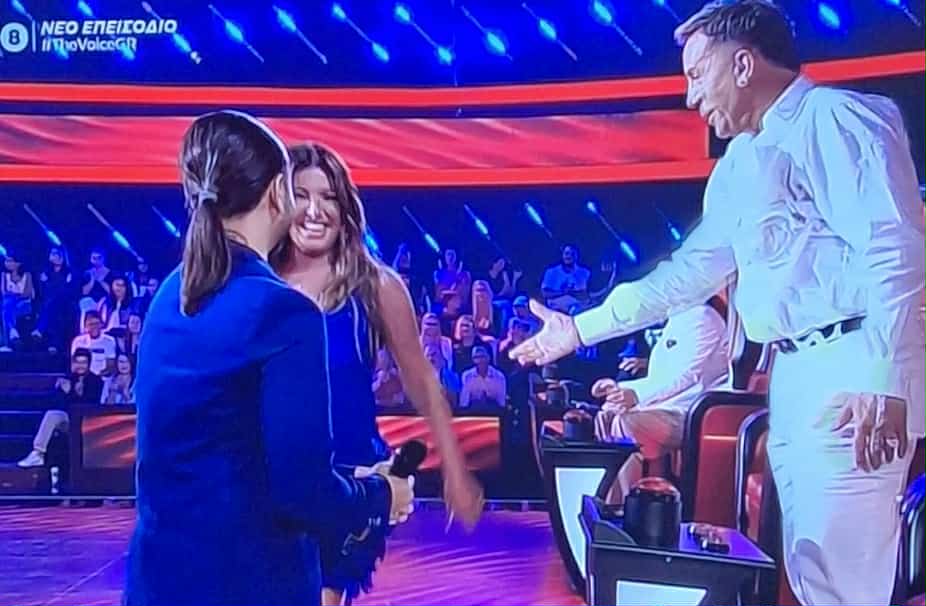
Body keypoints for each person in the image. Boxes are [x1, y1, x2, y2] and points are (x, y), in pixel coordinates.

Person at [510, 2, 925, 604]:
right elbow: (684, 275)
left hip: (853, 368)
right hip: (796, 376)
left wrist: (882, 379)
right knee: (812, 573)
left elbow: (894, 248)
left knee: (843, 583)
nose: (690, 97)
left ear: (744, 64)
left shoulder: (834, 118)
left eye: (698, 74)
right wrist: (580, 330)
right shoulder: (740, 166)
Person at [124, 111, 414, 606]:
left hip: (157, 583)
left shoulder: (170, 295)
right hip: (248, 584)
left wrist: (353, 484)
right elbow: (301, 492)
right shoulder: (284, 312)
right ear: (279, 192)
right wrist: (381, 496)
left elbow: (224, 458)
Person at [271, 143, 482, 606]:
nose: (315, 211)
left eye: (328, 197)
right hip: (272, 482)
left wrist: (455, 469)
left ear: (345, 207)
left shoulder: (377, 286)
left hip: (351, 482)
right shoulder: (257, 283)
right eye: (301, 195)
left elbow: (422, 381)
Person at [591, 300, 729, 504]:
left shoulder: (702, 318)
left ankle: (625, 509)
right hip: (665, 407)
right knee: (608, 414)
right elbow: (664, 375)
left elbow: (685, 376)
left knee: (625, 424)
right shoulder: (679, 317)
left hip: (692, 414)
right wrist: (617, 391)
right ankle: (606, 505)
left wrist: (634, 394)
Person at [17, 348, 104, 468]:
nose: (81, 366)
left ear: (89, 363)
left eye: (84, 362)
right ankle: (38, 453)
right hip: (69, 420)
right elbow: (60, 404)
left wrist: (71, 393)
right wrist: (62, 390)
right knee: (52, 414)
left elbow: (89, 406)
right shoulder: (69, 378)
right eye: (78, 362)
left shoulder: (96, 381)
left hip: (87, 422)